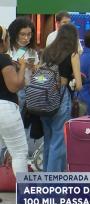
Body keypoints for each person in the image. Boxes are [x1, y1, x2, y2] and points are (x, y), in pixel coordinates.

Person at [40, 24, 82, 172]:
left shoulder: (47, 52)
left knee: (48, 140)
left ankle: (46, 179)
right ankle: (53, 185)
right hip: (61, 96)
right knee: (58, 140)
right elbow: (79, 85)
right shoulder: (73, 54)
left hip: (43, 96)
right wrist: (73, 79)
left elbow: (41, 75)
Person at [0, 25, 28, 177]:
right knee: (19, 152)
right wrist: (22, 67)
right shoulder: (3, 58)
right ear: (3, 40)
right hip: (5, 108)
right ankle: (24, 197)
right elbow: (14, 86)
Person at [7, 17, 39, 109]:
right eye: (22, 34)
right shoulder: (7, 48)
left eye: (29, 34)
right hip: (10, 91)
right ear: (15, 33)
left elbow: (37, 75)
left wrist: (35, 69)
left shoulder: (32, 51)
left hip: (28, 91)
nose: (26, 38)